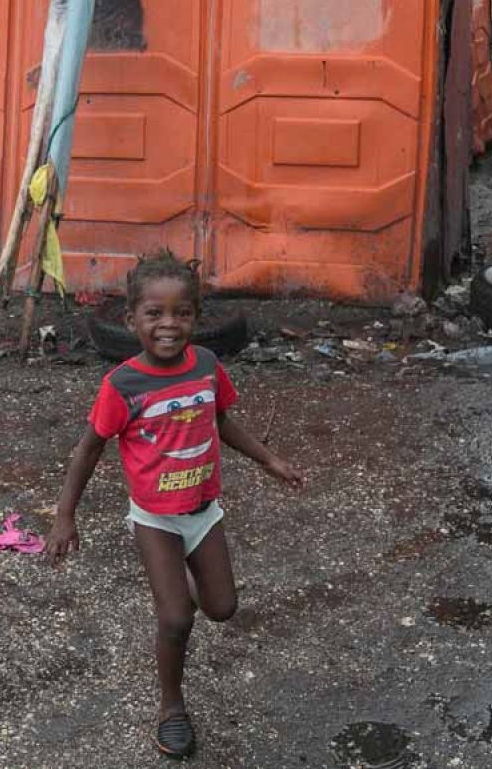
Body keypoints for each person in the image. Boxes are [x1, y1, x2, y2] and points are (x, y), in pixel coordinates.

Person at [43, 250, 304, 760]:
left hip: (204, 512)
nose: (168, 324)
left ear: (195, 317)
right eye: (154, 314)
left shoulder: (206, 366)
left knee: (222, 609)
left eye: (181, 313)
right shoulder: (122, 385)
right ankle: (171, 708)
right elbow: (89, 448)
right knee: (177, 619)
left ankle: (183, 586)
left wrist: (269, 459)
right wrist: (64, 515)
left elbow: (222, 421)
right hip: (155, 519)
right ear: (131, 320)